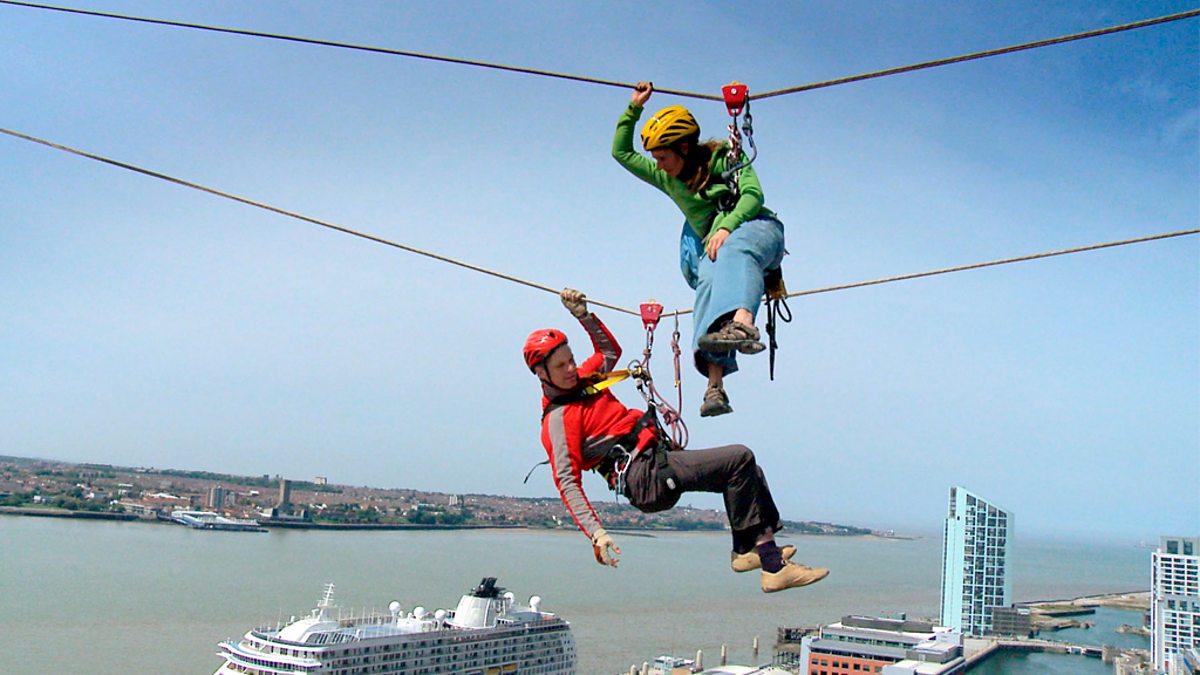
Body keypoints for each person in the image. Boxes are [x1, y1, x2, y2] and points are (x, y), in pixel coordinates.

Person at [523, 288, 828, 593]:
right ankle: (773, 567)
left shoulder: (584, 380)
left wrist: (583, 315)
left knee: (748, 472)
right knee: (740, 458)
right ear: (541, 372)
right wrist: (596, 533)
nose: (571, 369)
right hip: (644, 477)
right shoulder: (558, 421)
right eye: (561, 366)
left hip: (656, 461)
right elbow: (567, 481)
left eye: (571, 360)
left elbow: (609, 352)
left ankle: (748, 552)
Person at [612, 81, 786, 417]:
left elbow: (753, 195)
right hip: (718, 249)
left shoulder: (723, 158)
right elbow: (621, 152)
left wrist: (725, 225)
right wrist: (634, 108)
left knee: (731, 248)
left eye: (663, 157)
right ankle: (714, 387)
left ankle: (745, 323)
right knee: (707, 282)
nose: (658, 165)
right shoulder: (668, 177)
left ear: (685, 149)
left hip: (759, 231)